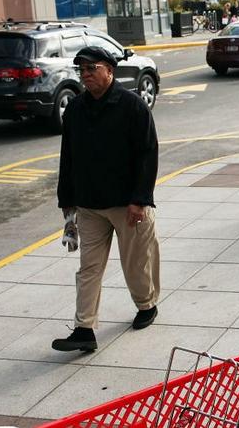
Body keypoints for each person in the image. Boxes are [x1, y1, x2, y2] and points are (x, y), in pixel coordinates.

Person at [53, 46, 161, 352]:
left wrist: (140, 199)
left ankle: (146, 305)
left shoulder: (132, 106)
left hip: (128, 204)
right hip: (89, 205)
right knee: (89, 268)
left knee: (137, 263)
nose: (85, 76)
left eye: (91, 69)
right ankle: (84, 329)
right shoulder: (75, 109)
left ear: (109, 71)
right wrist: (67, 198)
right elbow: (68, 156)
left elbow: (147, 155)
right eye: (82, 70)